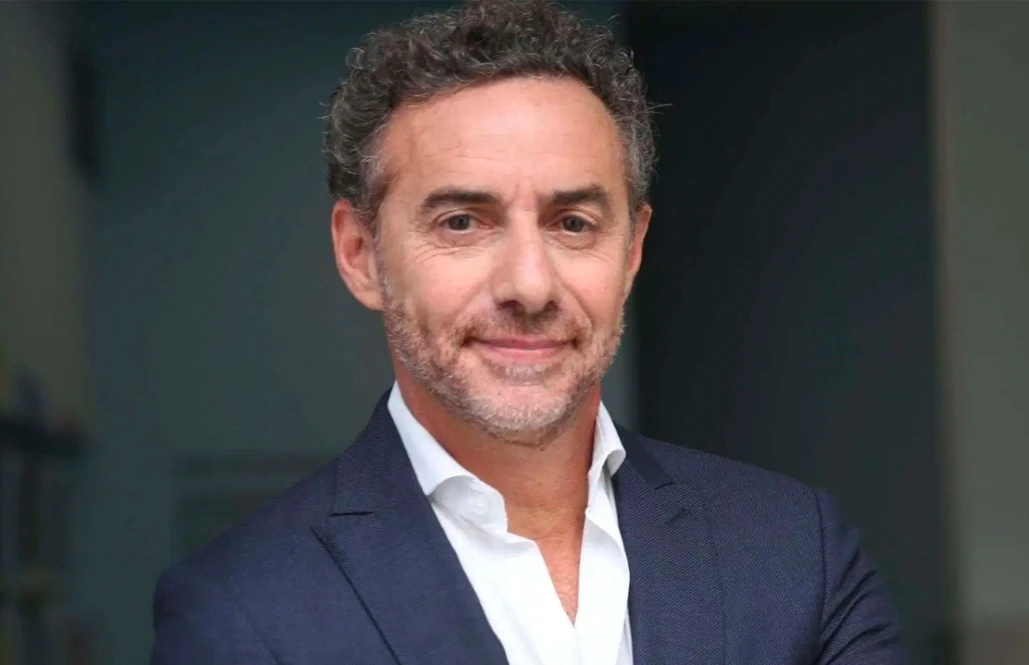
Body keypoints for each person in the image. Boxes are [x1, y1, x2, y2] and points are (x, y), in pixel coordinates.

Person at [150, 1, 905, 663]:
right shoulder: (241, 611)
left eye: (572, 222)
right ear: (361, 255)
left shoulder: (792, 550)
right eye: (462, 222)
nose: (530, 285)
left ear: (632, 251)